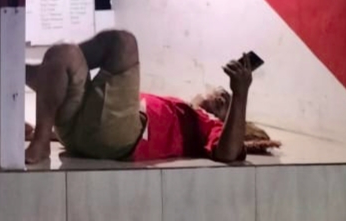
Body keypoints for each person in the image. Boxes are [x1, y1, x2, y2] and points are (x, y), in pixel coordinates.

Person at [24, 30, 255, 164]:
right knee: (64, 52)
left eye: (225, 104)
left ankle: (49, 74)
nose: (222, 97)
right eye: (222, 92)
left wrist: (240, 93)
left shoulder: (206, 123)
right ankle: (41, 78)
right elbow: (99, 117)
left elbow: (228, 153)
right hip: (75, 134)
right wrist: (41, 130)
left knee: (123, 43)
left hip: (120, 140)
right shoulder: (180, 107)